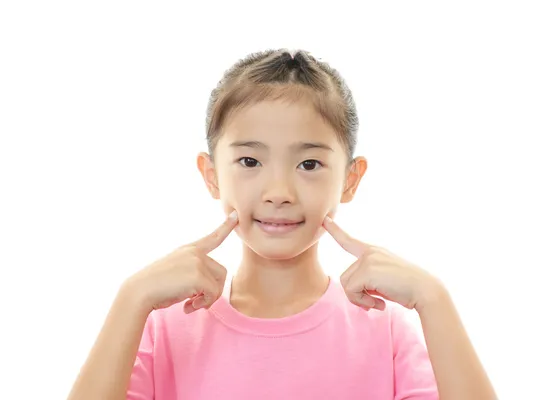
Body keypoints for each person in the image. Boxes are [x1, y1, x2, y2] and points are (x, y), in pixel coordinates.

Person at [67, 49, 496, 400]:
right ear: (211, 175)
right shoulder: (165, 328)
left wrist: (434, 299)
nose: (279, 191)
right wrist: (131, 299)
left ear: (350, 179)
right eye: (250, 161)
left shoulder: (383, 328)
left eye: (309, 163)